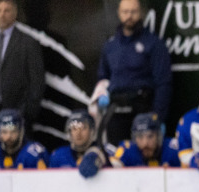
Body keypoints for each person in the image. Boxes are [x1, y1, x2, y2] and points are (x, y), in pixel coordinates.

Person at [94, 0, 172, 147]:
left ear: (141, 13)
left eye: (133, 12)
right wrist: (101, 95)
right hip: (116, 109)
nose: (129, 16)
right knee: (116, 154)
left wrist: (158, 117)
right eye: (125, 12)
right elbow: (102, 77)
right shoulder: (110, 46)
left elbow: (163, 83)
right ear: (119, 13)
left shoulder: (154, 43)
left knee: (144, 153)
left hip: (142, 107)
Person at [0, 0, 45, 129]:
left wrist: (26, 113)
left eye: (7, 11)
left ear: (15, 13)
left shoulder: (28, 43)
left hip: (17, 113)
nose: (2, 15)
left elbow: (37, 81)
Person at [49, 110, 108, 178]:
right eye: (74, 128)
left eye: (83, 128)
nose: (78, 133)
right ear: (70, 131)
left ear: (91, 131)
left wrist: (102, 159)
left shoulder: (104, 151)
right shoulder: (58, 155)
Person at [110, 111, 180, 167]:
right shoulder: (127, 150)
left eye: (150, 136)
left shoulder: (173, 149)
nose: (145, 143)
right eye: (140, 137)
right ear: (135, 139)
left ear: (158, 137)